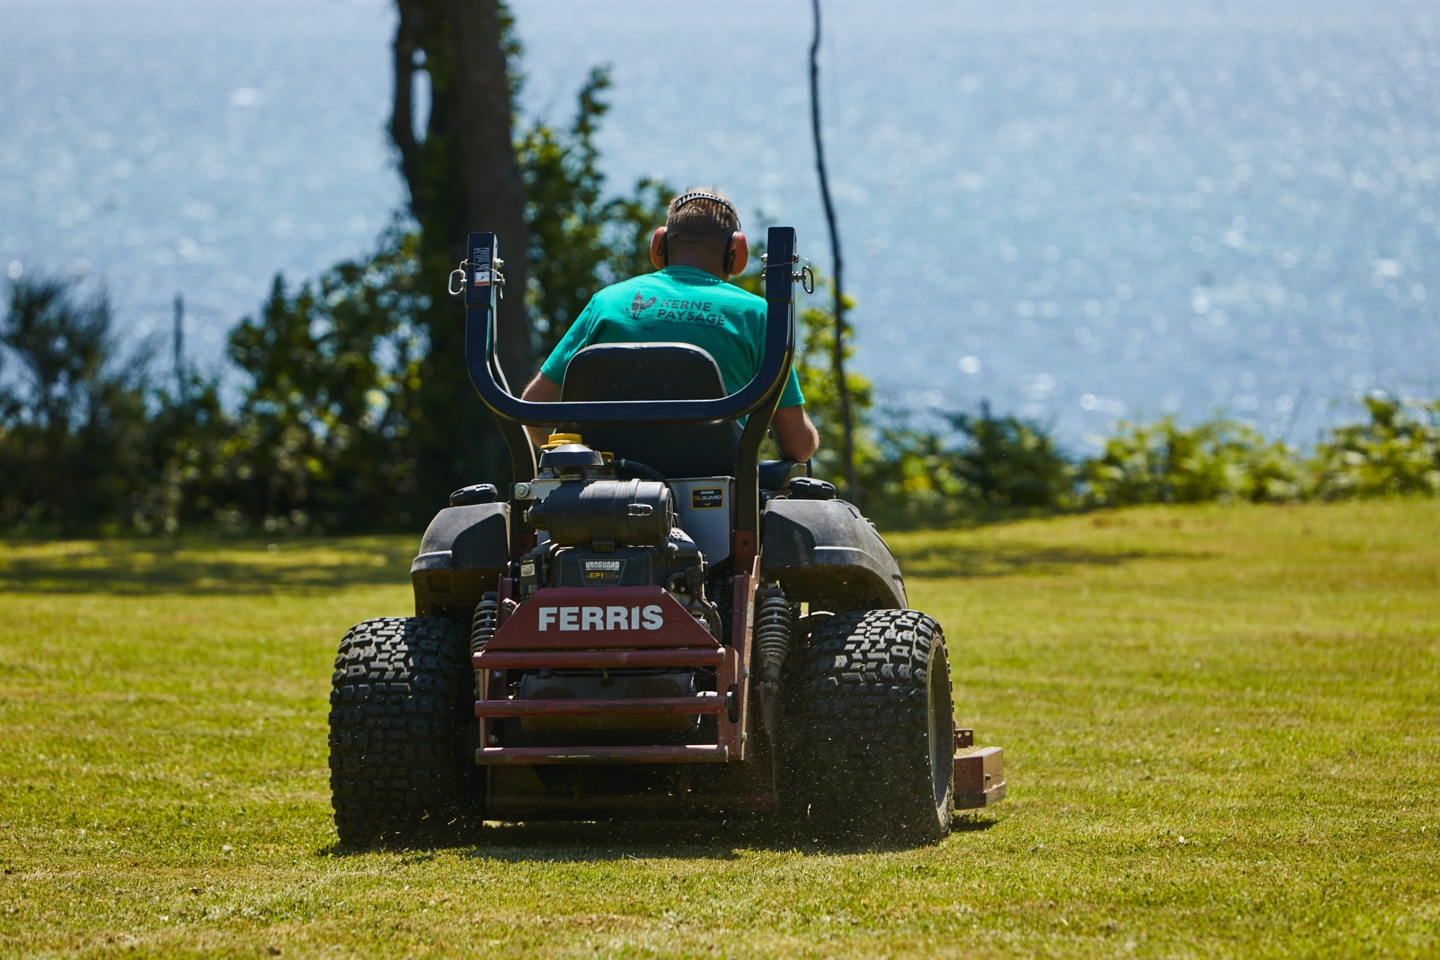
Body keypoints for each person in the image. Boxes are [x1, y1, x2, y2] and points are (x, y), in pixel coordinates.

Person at [519, 188, 820, 462]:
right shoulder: (758, 314)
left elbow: (533, 407)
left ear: (660, 244)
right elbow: (797, 446)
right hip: (719, 492)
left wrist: (573, 457)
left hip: (601, 485)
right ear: (735, 253)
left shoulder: (607, 302)